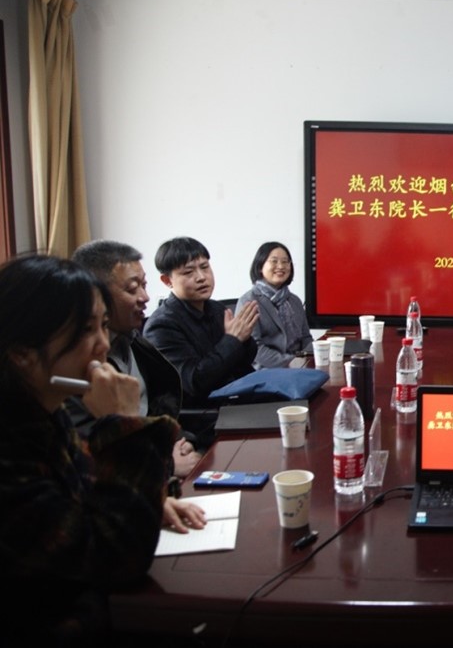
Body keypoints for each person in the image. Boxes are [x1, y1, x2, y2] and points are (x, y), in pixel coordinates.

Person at [0, 255, 203, 644]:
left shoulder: (48, 413)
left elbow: (81, 495)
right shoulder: (10, 449)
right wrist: (125, 423)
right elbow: (116, 558)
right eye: (85, 330)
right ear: (23, 353)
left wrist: (146, 500)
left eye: (103, 326)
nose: (103, 345)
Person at [70, 239, 201, 478]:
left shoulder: (134, 340)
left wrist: (178, 441)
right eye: (132, 289)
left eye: (144, 285)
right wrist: (165, 465)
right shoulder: (78, 365)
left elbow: (159, 408)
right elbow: (89, 457)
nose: (145, 297)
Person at [143, 237, 259, 413]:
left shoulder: (217, 309)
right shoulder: (161, 326)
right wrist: (233, 339)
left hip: (235, 400)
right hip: (203, 414)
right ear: (167, 280)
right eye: (188, 272)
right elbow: (194, 382)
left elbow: (243, 363)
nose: (201, 277)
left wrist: (244, 337)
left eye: (205, 267)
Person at [235, 241, 313, 368]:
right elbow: (255, 349)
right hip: (266, 370)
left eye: (285, 261)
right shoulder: (248, 302)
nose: (281, 266)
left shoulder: (294, 301)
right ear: (260, 266)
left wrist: (314, 358)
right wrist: (291, 362)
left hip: (299, 367)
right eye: (274, 261)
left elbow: (306, 338)